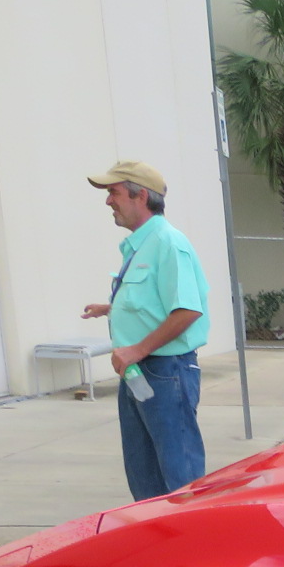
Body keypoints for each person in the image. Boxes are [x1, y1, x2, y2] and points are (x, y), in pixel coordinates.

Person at [80, 162, 210, 499]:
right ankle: (156, 542)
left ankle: (190, 544)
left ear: (140, 196)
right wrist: (113, 308)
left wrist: (137, 349)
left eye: (114, 192)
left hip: (165, 372)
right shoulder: (141, 245)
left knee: (179, 477)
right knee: (144, 472)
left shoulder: (168, 243)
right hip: (140, 373)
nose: (108, 201)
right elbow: (157, 301)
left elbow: (188, 309)